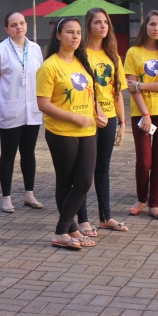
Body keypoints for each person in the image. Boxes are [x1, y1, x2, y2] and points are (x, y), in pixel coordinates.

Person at [37, 17, 106, 250]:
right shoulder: (49, 66)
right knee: (66, 182)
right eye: (69, 32)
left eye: (78, 32)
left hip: (88, 130)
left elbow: (92, 95)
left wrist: (100, 113)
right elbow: (43, 104)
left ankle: (68, 229)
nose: (75, 36)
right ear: (58, 36)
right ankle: (63, 231)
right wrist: (75, 117)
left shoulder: (82, 63)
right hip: (61, 132)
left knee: (84, 181)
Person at [0, 11, 43, 214]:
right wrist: (8, 92)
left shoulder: (35, 49)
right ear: (7, 29)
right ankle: (6, 197)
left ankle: (29, 194)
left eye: (22, 23)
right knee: (8, 154)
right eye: (14, 25)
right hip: (11, 108)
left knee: (29, 152)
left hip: (32, 109)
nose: (19, 27)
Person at [76, 8, 129, 234]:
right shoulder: (80, 54)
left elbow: (117, 93)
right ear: (88, 25)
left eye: (105, 22)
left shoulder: (113, 56)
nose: (103, 26)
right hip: (88, 119)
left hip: (109, 118)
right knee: (84, 170)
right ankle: (83, 220)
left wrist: (122, 123)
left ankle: (106, 216)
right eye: (97, 22)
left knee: (103, 168)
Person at [124, 10, 158, 220]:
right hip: (141, 112)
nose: (156, 29)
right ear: (145, 26)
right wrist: (145, 112)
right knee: (144, 161)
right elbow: (131, 87)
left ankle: (154, 204)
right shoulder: (133, 52)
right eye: (152, 24)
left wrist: (141, 84)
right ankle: (141, 199)